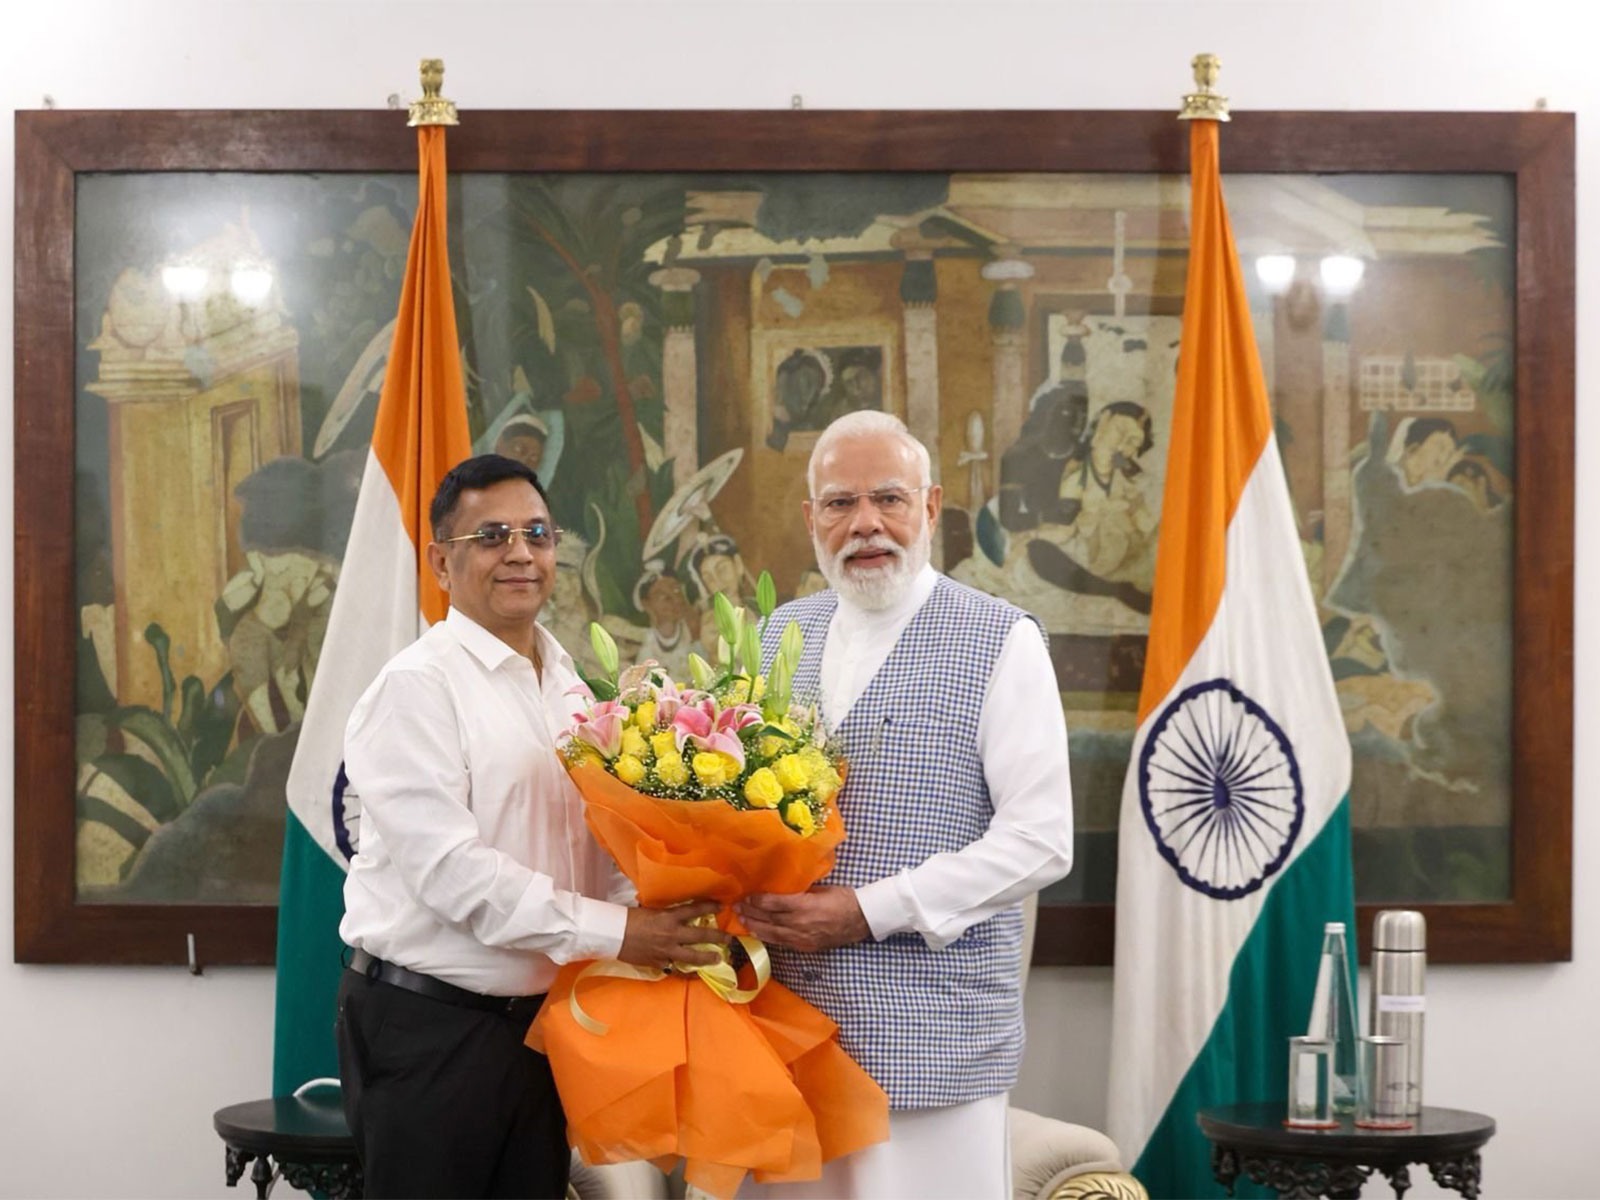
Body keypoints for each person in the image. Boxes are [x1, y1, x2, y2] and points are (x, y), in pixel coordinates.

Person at [335, 453, 726, 1199]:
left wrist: (681, 907)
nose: (520, 553)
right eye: (492, 537)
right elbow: (454, 875)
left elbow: (596, 842)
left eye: (538, 534)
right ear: (441, 561)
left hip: (545, 1027)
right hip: (429, 1030)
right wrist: (623, 932)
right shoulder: (416, 689)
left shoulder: (571, 687)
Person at [738, 412, 1074, 1199]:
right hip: (781, 1042)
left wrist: (869, 910)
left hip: (934, 1048)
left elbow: (1041, 840)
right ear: (810, 518)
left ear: (930, 508)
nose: (864, 525)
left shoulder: (1002, 639)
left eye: (888, 499)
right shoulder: (778, 635)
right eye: (839, 503)